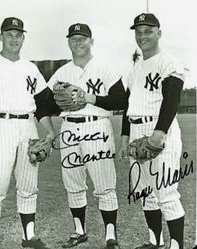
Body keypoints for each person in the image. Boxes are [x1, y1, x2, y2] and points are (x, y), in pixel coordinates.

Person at [0, 17, 54, 249]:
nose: (14, 38)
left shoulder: (31, 68)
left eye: (18, 34)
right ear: (1, 37)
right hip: (0, 125)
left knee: (29, 185)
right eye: (9, 34)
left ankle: (29, 237)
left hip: (27, 126)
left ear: (23, 37)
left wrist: (49, 133)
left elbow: (42, 105)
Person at [44, 23, 126, 249]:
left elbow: (121, 101)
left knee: (104, 183)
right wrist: (56, 106)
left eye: (82, 38)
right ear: (68, 41)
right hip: (68, 128)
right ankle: (79, 231)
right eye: (73, 38)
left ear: (92, 41)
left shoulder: (106, 68)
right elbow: (45, 103)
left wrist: (91, 98)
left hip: (97, 127)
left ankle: (110, 235)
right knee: (72, 183)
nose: (78, 42)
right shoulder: (61, 73)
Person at [119, 13, 186, 249]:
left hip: (159, 129)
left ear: (159, 33)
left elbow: (172, 100)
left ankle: (176, 245)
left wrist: (159, 134)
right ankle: (154, 241)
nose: (142, 35)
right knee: (146, 193)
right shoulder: (136, 67)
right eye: (138, 31)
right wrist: (125, 137)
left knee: (166, 192)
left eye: (148, 30)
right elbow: (128, 104)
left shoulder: (169, 62)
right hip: (137, 129)